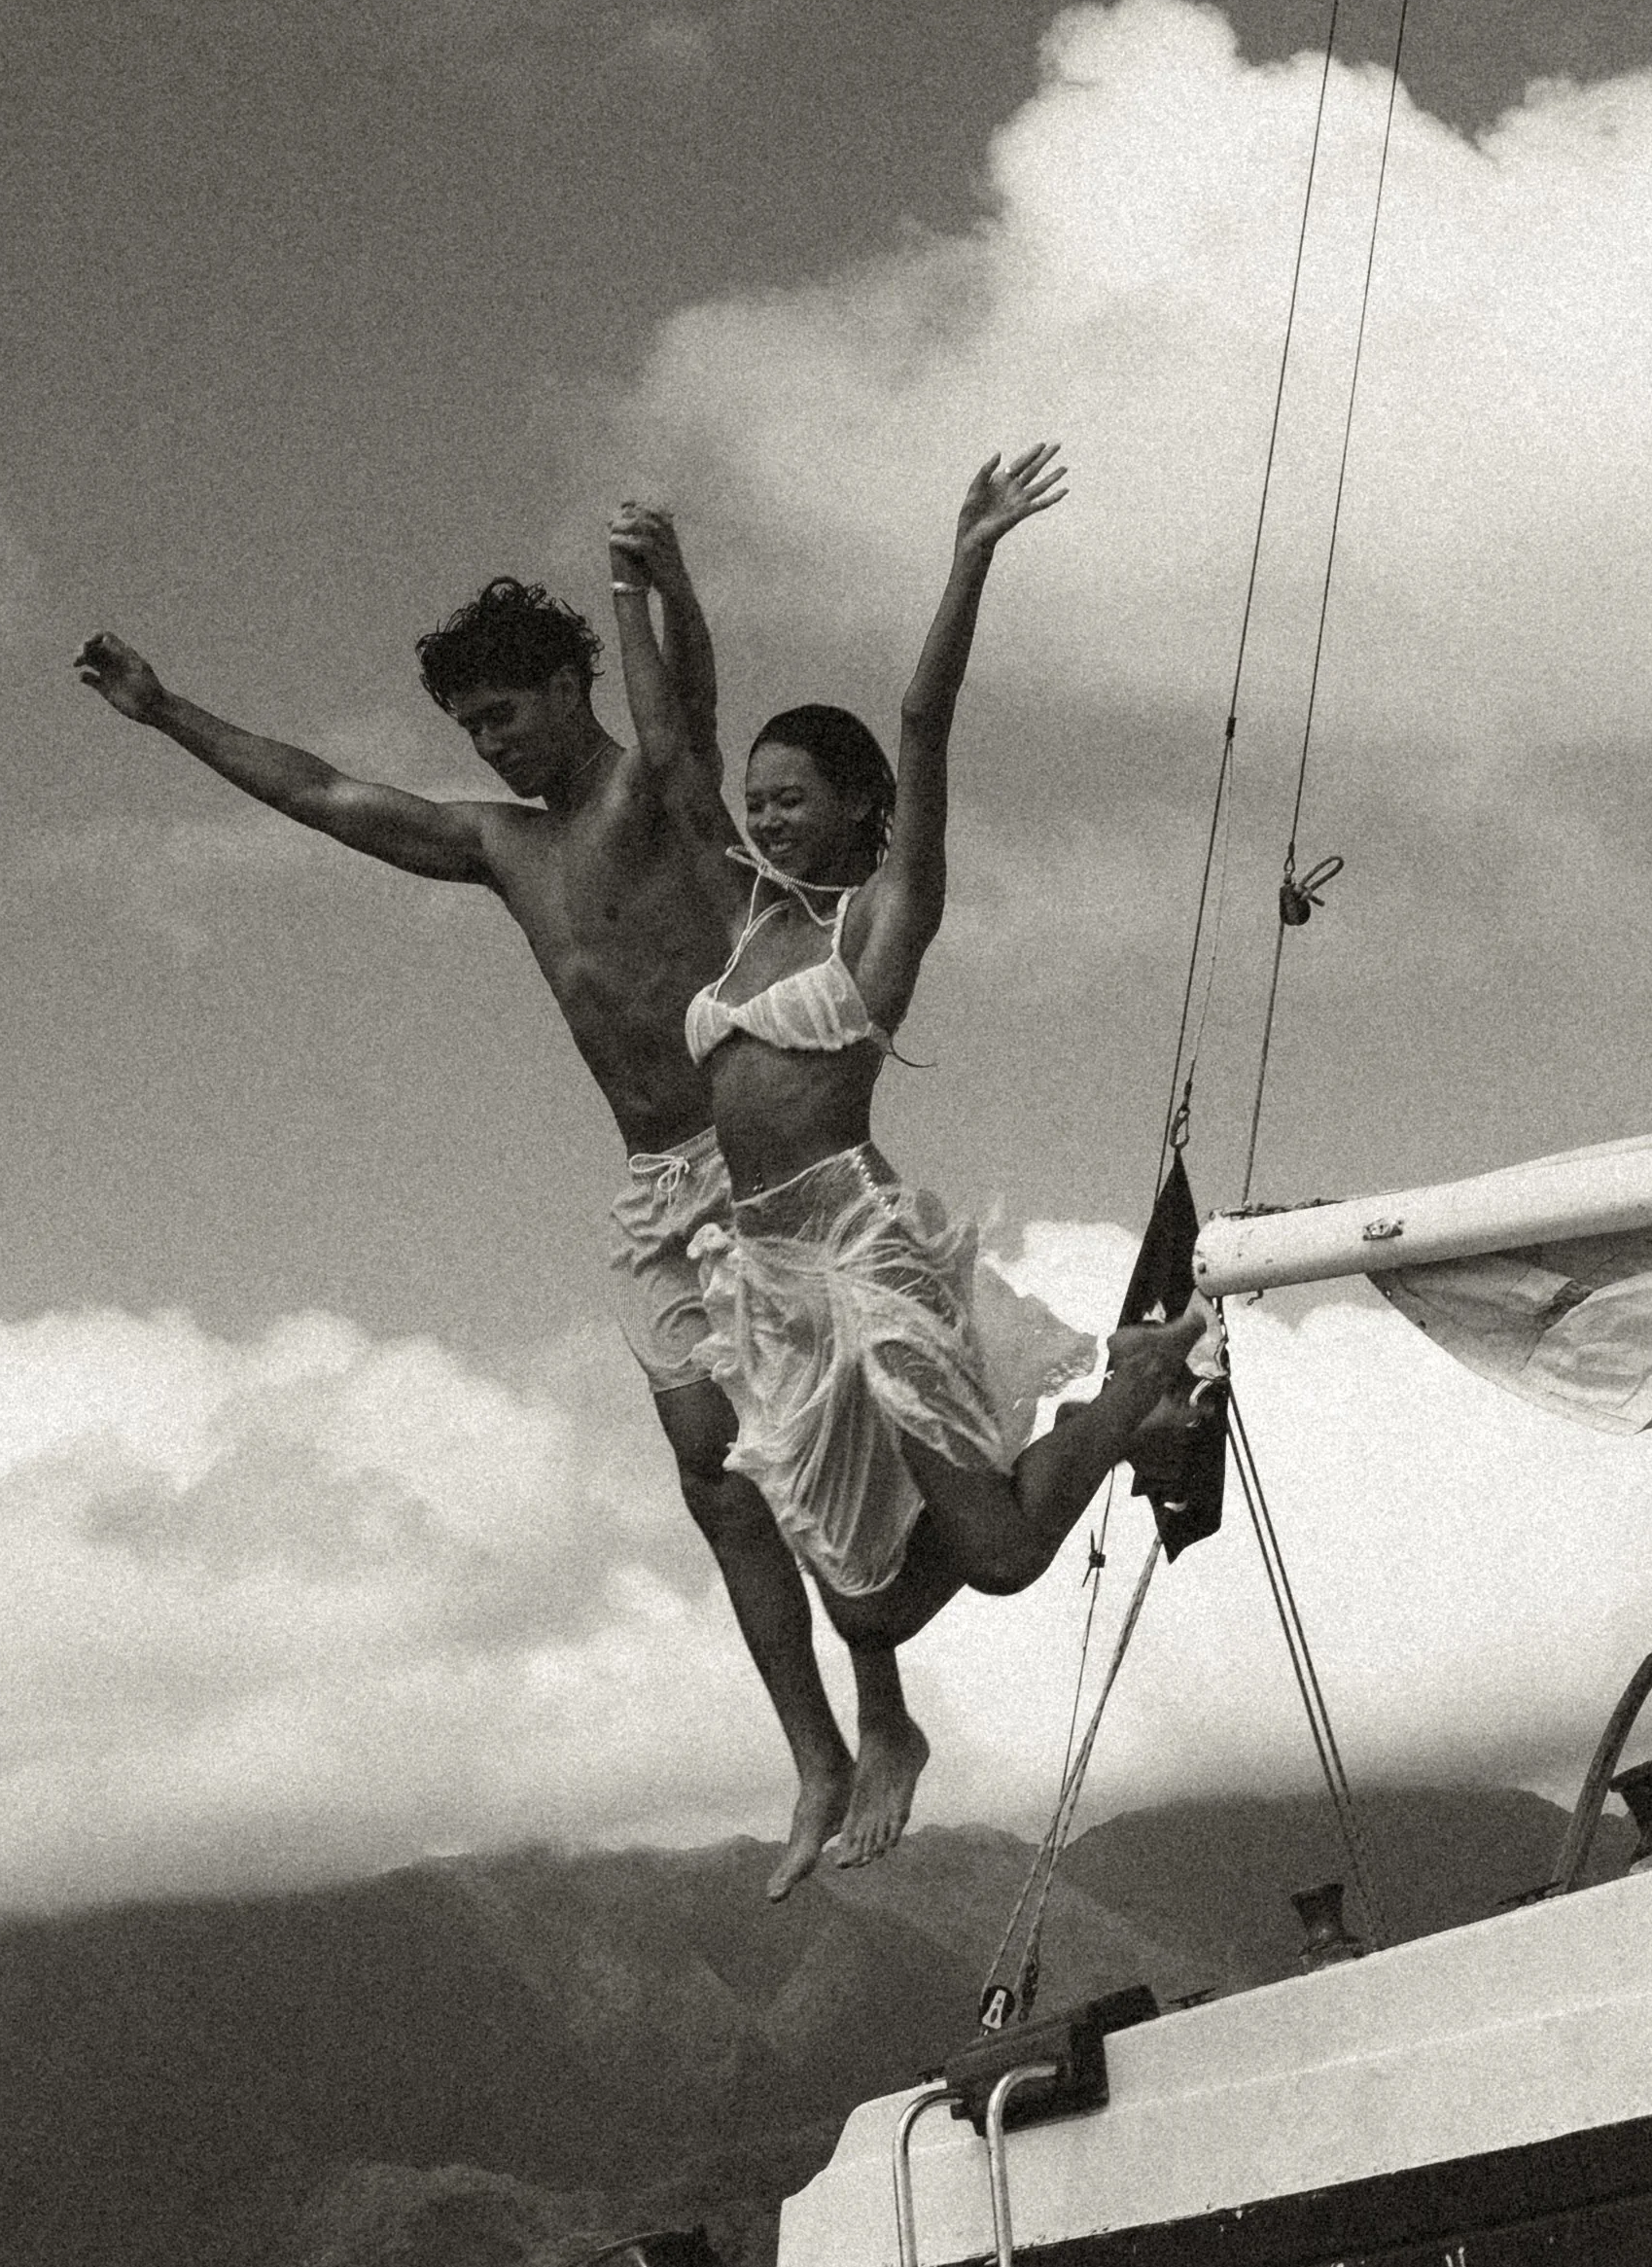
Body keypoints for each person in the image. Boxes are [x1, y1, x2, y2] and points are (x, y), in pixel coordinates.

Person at [71, 554, 931, 1901]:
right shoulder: (501, 846)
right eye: (470, 727)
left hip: (750, 1152)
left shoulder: (656, 795)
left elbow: (688, 714)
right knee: (712, 1486)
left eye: (505, 715)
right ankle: (813, 1754)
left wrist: (657, 587)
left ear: (565, 686)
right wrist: (170, 712)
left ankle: (884, 1722)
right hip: (652, 1187)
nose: (488, 744)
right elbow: (329, 794)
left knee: (801, 1444)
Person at [608, 448, 1211, 1676]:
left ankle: (1132, 1389)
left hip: (858, 1240)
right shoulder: (744, 920)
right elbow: (673, 760)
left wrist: (968, 557)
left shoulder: (881, 917)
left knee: (992, 1553)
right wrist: (644, 591)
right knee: (870, 1610)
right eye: (759, 799)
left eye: (790, 799)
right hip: (768, 1271)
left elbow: (923, 721)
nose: (764, 817)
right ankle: (1112, 1418)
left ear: (852, 806)